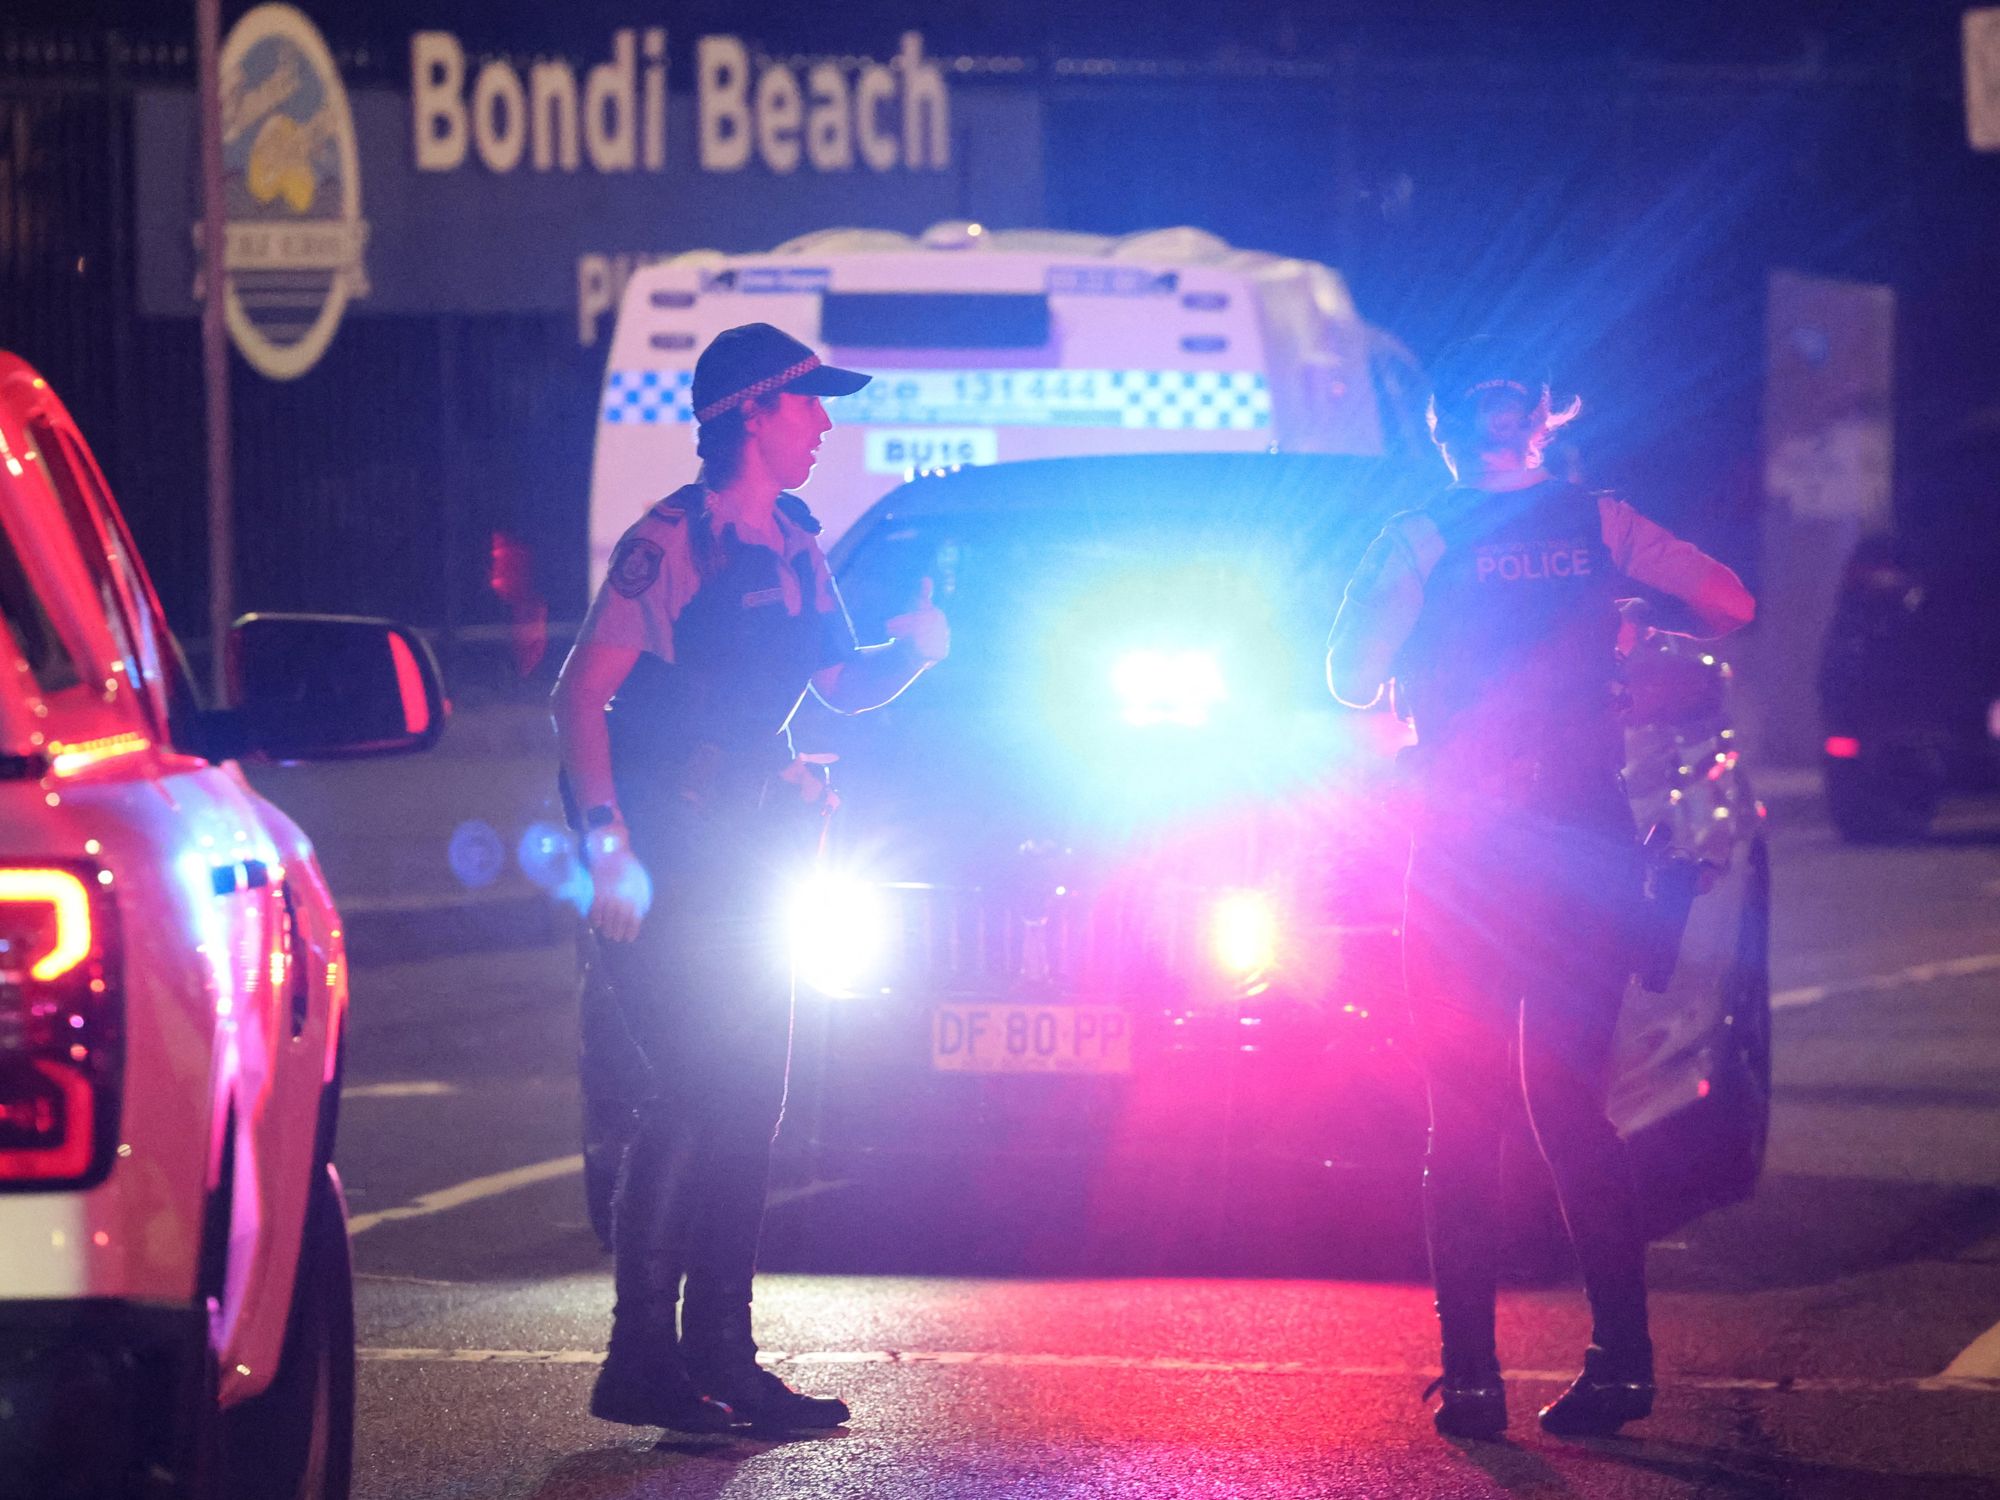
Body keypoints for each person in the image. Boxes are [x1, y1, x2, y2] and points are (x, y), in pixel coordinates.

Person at [1326, 340, 1755, 1440]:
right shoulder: (1601, 522)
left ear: (1438, 434)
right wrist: (1623, 633)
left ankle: (1470, 1381)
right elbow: (1731, 602)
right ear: (1540, 427)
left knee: (1457, 1118)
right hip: (1578, 845)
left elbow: (1344, 677)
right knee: (1568, 1107)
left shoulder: (1417, 535)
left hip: (1468, 856)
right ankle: (1620, 1365)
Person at [551, 322, 950, 1433]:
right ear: (750, 413)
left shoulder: (792, 540)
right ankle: (640, 1360)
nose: (824, 422)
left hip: (746, 851)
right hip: (665, 848)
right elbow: (580, 700)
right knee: (691, 1095)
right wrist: (608, 849)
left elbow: (834, 685)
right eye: (807, 404)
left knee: (751, 1103)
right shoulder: (673, 540)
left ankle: (722, 1357)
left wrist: (912, 652)